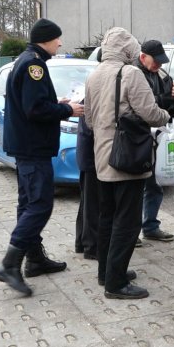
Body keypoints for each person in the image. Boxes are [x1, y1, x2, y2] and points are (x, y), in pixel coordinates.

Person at [0, 18, 83, 296]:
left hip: (26, 146)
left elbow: (34, 104)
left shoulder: (27, 60)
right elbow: (35, 110)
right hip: (33, 148)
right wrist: (68, 111)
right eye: (57, 38)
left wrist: (58, 104)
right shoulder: (34, 64)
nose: (61, 43)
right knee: (40, 205)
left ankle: (34, 259)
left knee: (28, 202)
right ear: (45, 39)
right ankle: (9, 265)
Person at [85, 27, 170, 300]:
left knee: (107, 216)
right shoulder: (130, 73)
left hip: (102, 157)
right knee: (128, 222)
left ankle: (106, 272)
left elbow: (88, 120)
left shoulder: (94, 74)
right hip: (127, 158)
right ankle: (116, 282)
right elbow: (151, 113)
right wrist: (166, 114)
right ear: (128, 50)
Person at [134, 39, 174, 243]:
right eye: (156, 61)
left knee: (155, 184)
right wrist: (166, 102)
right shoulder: (133, 75)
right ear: (143, 57)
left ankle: (151, 226)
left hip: (159, 136)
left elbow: (172, 107)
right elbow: (141, 106)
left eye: (161, 62)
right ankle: (131, 231)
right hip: (137, 137)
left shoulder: (163, 76)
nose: (159, 65)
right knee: (136, 187)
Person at [74, 109, 100, 260]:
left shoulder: (89, 86)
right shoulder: (97, 86)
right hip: (93, 152)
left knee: (87, 201)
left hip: (88, 150)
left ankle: (82, 243)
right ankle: (92, 247)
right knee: (93, 202)